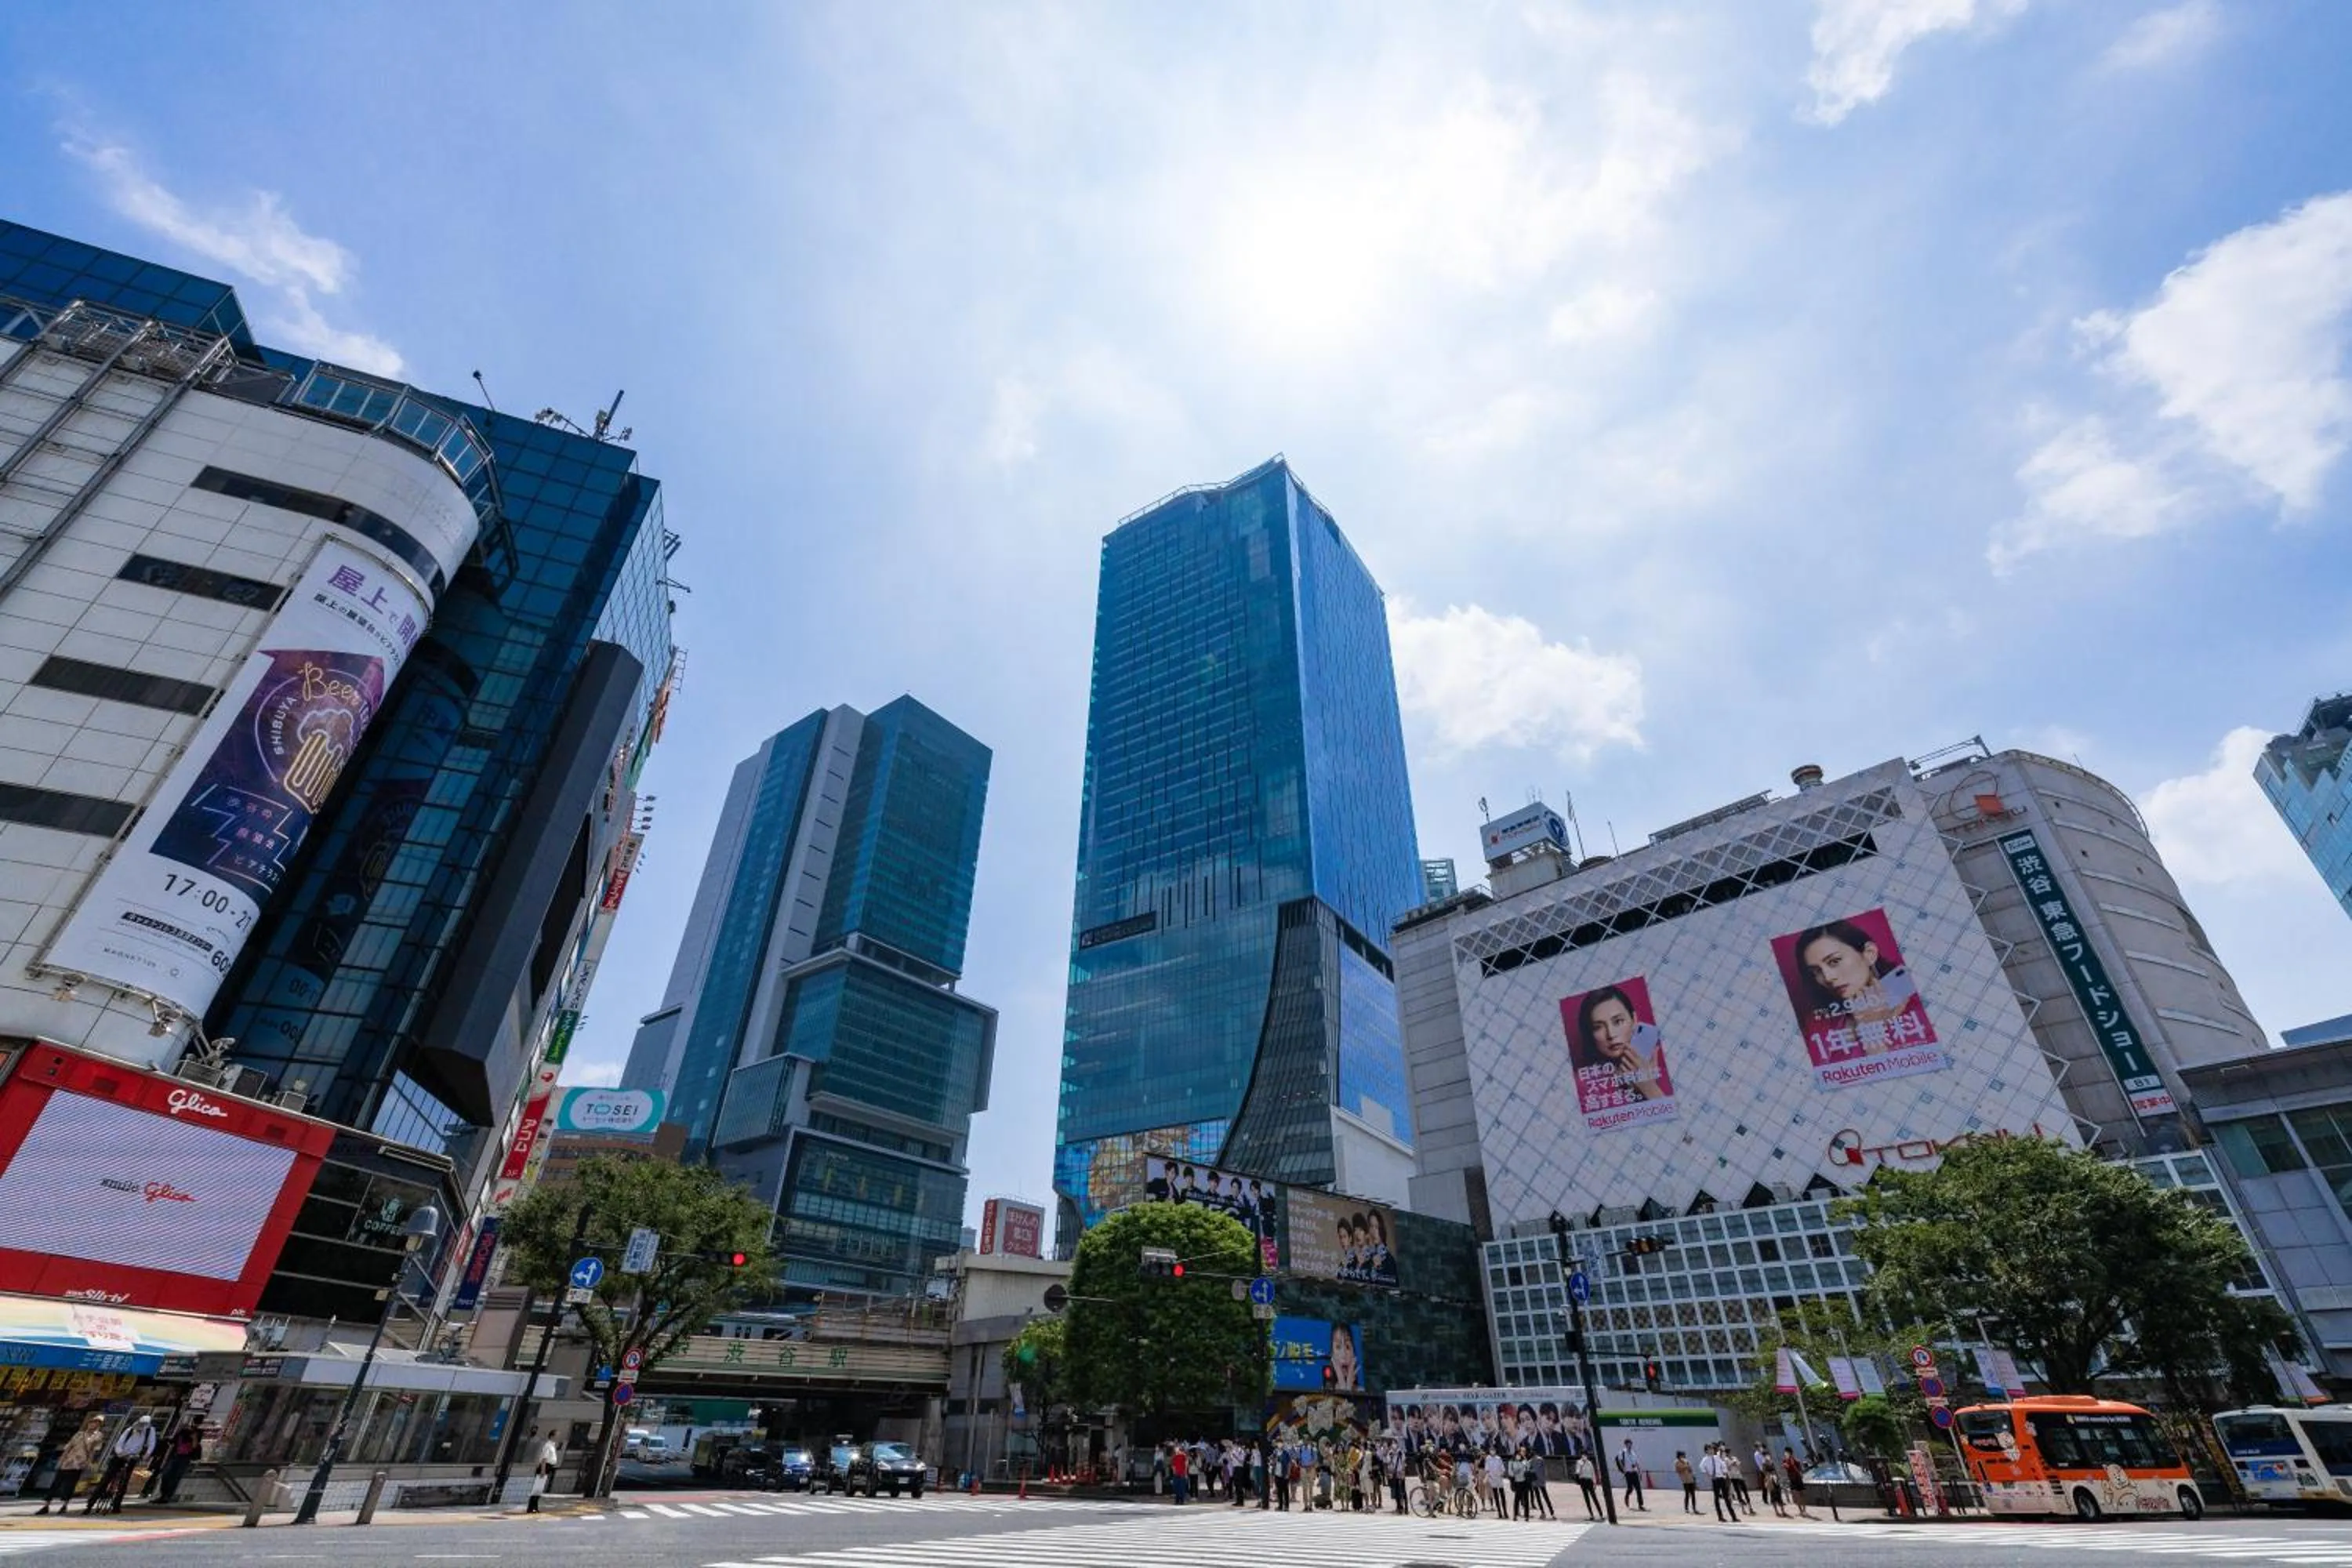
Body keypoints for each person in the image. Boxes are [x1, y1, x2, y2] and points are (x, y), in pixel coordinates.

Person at [1793, 919, 1926, 1055]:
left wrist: (1871, 1029)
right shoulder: (1818, 1023)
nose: (1827, 977)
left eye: (1834, 961)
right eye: (1816, 971)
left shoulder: (1918, 1007)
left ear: (1869, 953)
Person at [1573, 984, 1670, 1102]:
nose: (1611, 1035)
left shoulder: (1664, 1062)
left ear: (1634, 1020)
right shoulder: (1584, 1086)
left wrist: (1649, 1087)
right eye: (1598, 1027)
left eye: (1618, 1021)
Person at [37, 1415, 107, 1516]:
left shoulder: (98, 1436)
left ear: (99, 1425)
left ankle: (64, 1505)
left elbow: (93, 1451)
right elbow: (68, 1447)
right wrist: (61, 1460)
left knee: (70, 1484)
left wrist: (89, 1462)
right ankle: (46, 1505)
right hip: (68, 1461)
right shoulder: (79, 1434)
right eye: (92, 1422)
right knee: (56, 1483)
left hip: (80, 1463)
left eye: (97, 1423)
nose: (93, 1424)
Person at [89, 1416, 154, 1514]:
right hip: (121, 1455)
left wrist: (146, 1455)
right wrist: (121, 1454)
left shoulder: (150, 1431)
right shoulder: (129, 1430)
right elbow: (119, 1444)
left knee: (124, 1481)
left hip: (133, 1457)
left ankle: (116, 1505)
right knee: (107, 1478)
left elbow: (151, 1444)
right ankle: (91, 1502)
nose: (141, 1428)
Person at [153, 1424, 199, 1506]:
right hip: (175, 1457)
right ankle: (163, 1494)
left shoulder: (192, 1436)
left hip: (185, 1458)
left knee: (176, 1477)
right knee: (166, 1475)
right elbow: (173, 1442)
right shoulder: (180, 1435)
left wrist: (194, 1438)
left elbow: (195, 1447)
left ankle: (167, 1496)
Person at [527, 1429, 560, 1512]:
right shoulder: (548, 1445)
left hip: (548, 1468)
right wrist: (543, 1471)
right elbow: (544, 1459)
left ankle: (535, 1506)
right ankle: (531, 1507)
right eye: (557, 1436)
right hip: (544, 1468)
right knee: (537, 1489)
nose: (558, 1438)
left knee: (540, 1489)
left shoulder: (552, 1446)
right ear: (552, 1436)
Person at [1702, 1444, 1736, 1522]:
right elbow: (1702, 1468)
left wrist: (1724, 1473)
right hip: (1715, 1479)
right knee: (1717, 1498)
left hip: (1721, 1478)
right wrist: (1709, 1476)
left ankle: (1733, 1516)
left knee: (1726, 1497)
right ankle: (1720, 1517)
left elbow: (1723, 1465)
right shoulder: (1705, 1460)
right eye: (1709, 1449)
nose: (1712, 1450)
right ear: (1706, 1451)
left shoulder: (1717, 1458)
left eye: (1712, 1449)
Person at [1569, 1448, 1603, 1519]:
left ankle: (1601, 1514)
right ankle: (1591, 1515)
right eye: (1583, 1455)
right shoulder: (1579, 1462)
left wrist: (1595, 1482)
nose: (1584, 1456)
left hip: (1589, 1481)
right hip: (1583, 1481)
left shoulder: (1590, 1463)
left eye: (1585, 1455)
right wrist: (1581, 1466)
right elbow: (1578, 1472)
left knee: (1594, 1498)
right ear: (1581, 1455)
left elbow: (1593, 1473)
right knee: (1587, 1498)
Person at [1328, 1323, 1362, 1392]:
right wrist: (1343, 1385)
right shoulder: (1326, 1392)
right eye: (1338, 1347)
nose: (1344, 1355)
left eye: (1348, 1347)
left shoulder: (1361, 1391)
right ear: (1332, 1354)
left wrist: (1348, 1386)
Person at [1615, 1437, 1646, 1511]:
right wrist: (1624, 1470)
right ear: (1625, 1444)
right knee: (1630, 1488)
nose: (1630, 1445)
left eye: (1631, 1444)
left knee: (1638, 1489)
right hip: (1628, 1473)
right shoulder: (1622, 1452)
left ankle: (1640, 1505)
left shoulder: (1633, 1453)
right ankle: (1627, 1496)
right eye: (1628, 1444)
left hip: (1634, 1472)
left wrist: (1640, 1471)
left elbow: (1637, 1463)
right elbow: (1619, 1461)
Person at [1755, 1443, 1784, 1516]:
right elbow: (1764, 1472)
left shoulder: (1771, 1462)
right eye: (1766, 1456)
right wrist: (1769, 1477)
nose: (1768, 1456)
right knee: (1773, 1495)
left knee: (1779, 1493)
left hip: (1775, 1479)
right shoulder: (1763, 1463)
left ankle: (1782, 1510)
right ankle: (1776, 1511)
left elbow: (1775, 1470)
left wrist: (1776, 1477)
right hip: (1770, 1480)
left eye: (1768, 1455)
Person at [1781, 1446, 1811, 1519]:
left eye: (1786, 1452)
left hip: (1796, 1478)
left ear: (1790, 1453)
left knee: (1800, 1494)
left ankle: (1803, 1510)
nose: (1785, 1453)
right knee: (1798, 1495)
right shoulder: (1785, 1460)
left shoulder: (1794, 1460)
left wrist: (1789, 1465)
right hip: (1793, 1479)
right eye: (1785, 1452)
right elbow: (1785, 1467)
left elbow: (1797, 1467)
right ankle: (1801, 1510)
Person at [1482, 1446, 1508, 1519]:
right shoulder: (1488, 1459)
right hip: (1492, 1479)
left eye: (1493, 1450)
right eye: (1491, 1450)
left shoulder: (1499, 1458)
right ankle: (1499, 1512)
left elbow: (1503, 1468)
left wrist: (1501, 1473)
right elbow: (1487, 1469)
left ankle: (1505, 1512)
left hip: (1499, 1478)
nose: (1492, 1451)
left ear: (1495, 1451)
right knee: (1496, 1496)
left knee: (1502, 1496)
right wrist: (1487, 1478)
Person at [1673, 1450, 1697, 1514]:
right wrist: (1685, 1467)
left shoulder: (1686, 1461)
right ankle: (1686, 1508)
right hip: (1684, 1480)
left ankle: (1694, 1508)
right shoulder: (1677, 1462)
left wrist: (1693, 1475)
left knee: (1693, 1494)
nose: (1683, 1456)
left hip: (1690, 1479)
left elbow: (1690, 1469)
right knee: (1687, 1494)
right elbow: (1678, 1470)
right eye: (1682, 1455)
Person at [1170, 1439, 1189, 1504]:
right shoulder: (1174, 1456)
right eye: (1175, 1449)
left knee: (1181, 1487)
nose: (1175, 1449)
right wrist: (1174, 1472)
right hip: (1176, 1474)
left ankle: (1181, 1500)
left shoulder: (1183, 1456)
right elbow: (1173, 1465)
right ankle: (1177, 1499)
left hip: (1182, 1473)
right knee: (1176, 1487)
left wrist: (1186, 1473)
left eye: (1176, 1448)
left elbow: (1186, 1464)